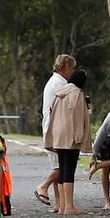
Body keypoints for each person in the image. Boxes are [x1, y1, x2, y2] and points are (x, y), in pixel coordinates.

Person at [44, 68, 91, 215]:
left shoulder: (61, 92)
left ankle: (63, 205)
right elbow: (77, 117)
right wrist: (79, 137)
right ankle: (69, 206)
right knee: (69, 170)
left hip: (59, 135)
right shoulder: (76, 93)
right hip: (70, 136)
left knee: (63, 169)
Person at [34, 53, 77, 207]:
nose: (73, 71)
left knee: (57, 164)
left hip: (51, 128)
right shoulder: (59, 84)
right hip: (55, 130)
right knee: (62, 166)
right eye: (72, 68)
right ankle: (43, 186)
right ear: (65, 67)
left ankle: (60, 204)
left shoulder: (55, 82)